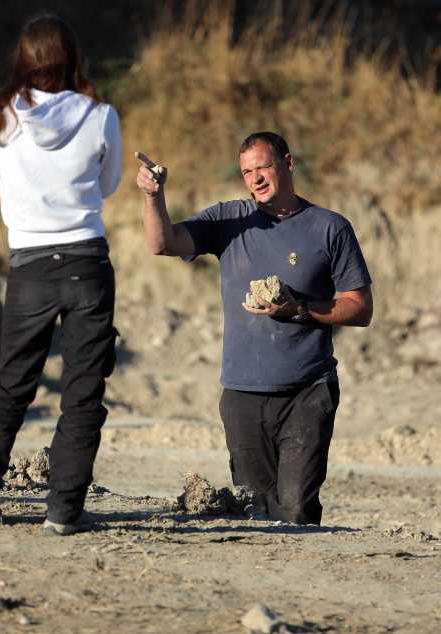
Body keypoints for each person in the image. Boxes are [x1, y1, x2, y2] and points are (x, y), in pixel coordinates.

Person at [137, 132, 373, 525]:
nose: (256, 179)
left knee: (296, 510)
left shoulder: (329, 227)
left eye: (263, 167)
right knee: (255, 515)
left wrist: (299, 308)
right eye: (247, 172)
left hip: (307, 393)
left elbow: (360, 308)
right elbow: (163, 243)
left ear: (288, 163)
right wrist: (152, 196)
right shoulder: (228, 220)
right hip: (242, 396)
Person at [0, 15, 122, 536]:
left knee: (11, 388)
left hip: (27, 265)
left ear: (23, 60)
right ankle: (64, 512)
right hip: (84, 260)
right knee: (83, 392)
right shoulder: (100, 115)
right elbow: (110, 183)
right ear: (73, 58)